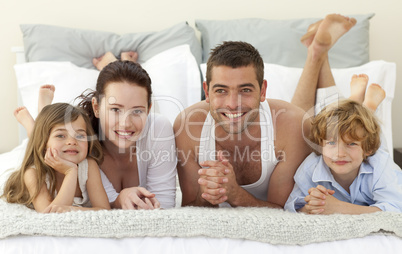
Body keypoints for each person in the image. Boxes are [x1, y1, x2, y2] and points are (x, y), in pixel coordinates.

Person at [174, 14, 359, 208]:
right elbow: (190, 209)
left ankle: (319, 53)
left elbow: (283, 211)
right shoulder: (186, 127)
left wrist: (236, 195)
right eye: (221, 90)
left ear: (262, 90)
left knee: (326, 124)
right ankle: (317, 51)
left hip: (290, 123)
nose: (232, 104)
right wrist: (206, 195)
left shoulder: (293, 125)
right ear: (206, 92)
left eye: (245, 90)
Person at [286, 83, 402, 214]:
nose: (340, 154)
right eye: (331, 143)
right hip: (360, 147)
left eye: (351, 144)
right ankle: (356, 103)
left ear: (367, 150)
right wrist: (311, 206)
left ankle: (369, 106)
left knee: (373, 134)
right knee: (354, 127)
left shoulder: (379, 166)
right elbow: (292, 205)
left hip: (374, 157)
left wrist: (339, 207)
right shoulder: (310, 168)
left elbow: (396, 210)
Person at [77, 57, 177, 209]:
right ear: (96, 107)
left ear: (148, 110)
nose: (126, 123)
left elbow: (164, 206)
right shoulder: (80, 140)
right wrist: (119, 200)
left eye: (137, 111)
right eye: (115, 109)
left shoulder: (158, 129)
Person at [3, 101, 110, 213]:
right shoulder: (33, 173)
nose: (72, 142)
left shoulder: (89, 166)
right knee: (34, 141)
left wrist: (71, 209)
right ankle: (31, 127)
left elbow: (104, 209)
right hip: (39, 155)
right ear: (44, 143)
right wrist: (70, 172)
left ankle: (34, 126)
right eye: (60, 135)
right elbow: (49, 215)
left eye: (79, 135)